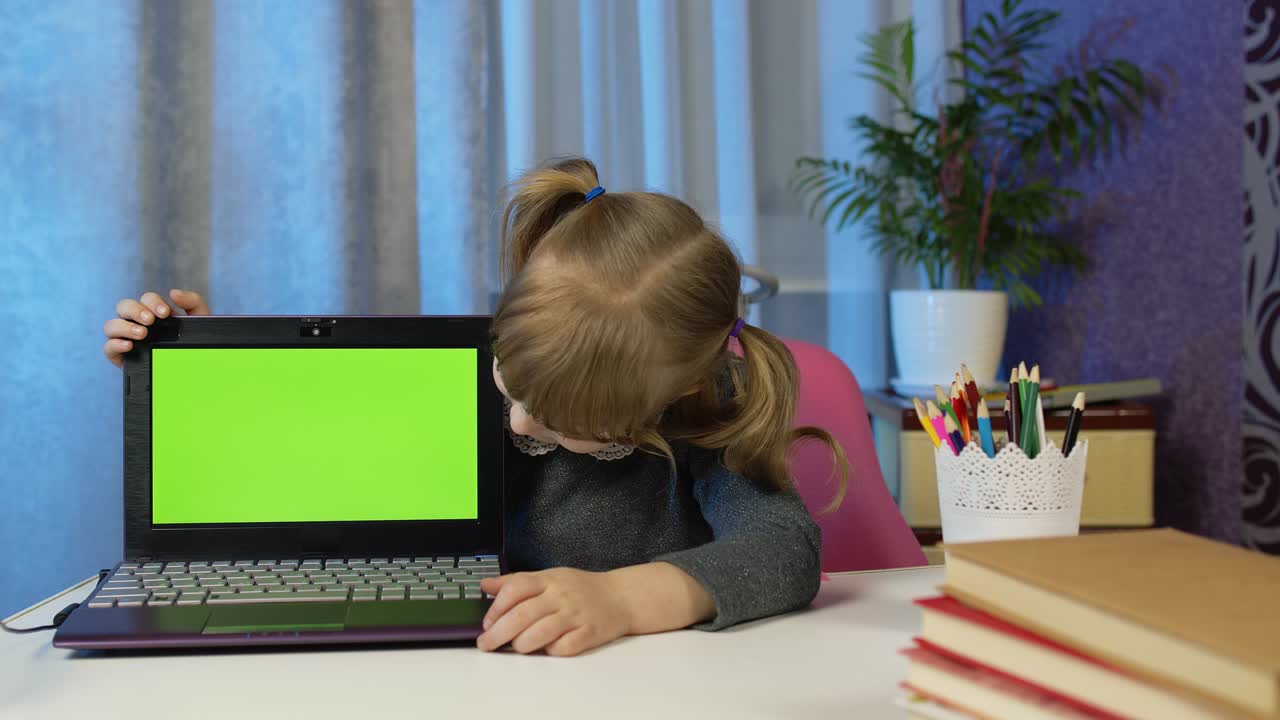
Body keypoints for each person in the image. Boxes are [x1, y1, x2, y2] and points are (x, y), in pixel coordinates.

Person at [101, 157, 848, 656]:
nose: (520, 424)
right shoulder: (486, 373)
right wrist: (201, 354)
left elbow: (786, 551)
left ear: (673, 393)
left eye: (560, 423)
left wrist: (623, 600)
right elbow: (324, 445)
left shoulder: (704, 418)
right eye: (511, 391)